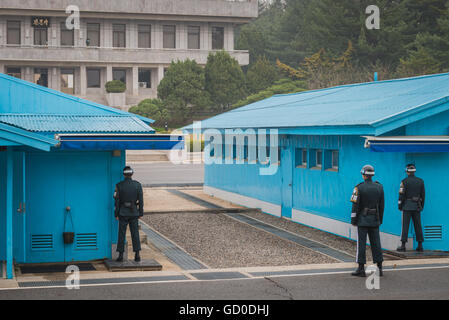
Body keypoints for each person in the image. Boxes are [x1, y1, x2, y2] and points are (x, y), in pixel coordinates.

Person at [350, 165, 385, 277]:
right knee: (376, 243)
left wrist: (353, 220)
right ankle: (379, 267)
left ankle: (361, 268)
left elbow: (355, 206)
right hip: (375, 219)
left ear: (363, 174)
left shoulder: (358, 188)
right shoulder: (379, 187)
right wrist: (380, 219)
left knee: (361, 244)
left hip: (362, 220)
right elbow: (382, 206)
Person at [114, 166, 144, 262]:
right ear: (132, 174)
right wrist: (140, 212)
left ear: (124, 174)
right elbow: (141, 200)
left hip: (123, 212)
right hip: (134, 212)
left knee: (121, 234)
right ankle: (137, 254)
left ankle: (120, 255)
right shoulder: (138, 185)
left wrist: (116, 214)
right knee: (135, 233)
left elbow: (117, 201)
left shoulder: (119, 185)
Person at [397, 164, 425, 252]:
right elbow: (423, 195)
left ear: (407, 171)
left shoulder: (404, 181)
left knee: (405, 226)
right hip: (417, 206)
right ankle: (420, 245)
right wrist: (421, 206)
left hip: (407, 206)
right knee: (418, 225)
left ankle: (403, 245)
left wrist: (400, 205)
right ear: (414, 171)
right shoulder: (420, 181)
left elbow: (401, 195)